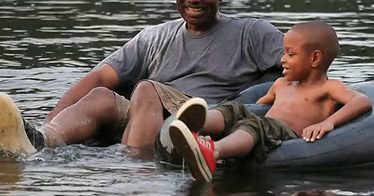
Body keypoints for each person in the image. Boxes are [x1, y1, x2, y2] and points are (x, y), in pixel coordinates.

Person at [0, 0, 283, 158]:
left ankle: (134, 165)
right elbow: (101, 75)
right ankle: (41, 139)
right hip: (147, 111)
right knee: (100, 96)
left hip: (201, 113)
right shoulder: (155, 36)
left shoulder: (252, 32)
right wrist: (55, 114)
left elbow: (302, 64)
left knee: (147, 88)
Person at [168, 21, 373, 182]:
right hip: (265, 128)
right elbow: (254, 107)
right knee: (235, 110)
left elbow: (361, 101)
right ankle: (195, 124)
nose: (282, 59)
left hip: (285, 136)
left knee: (257, 124)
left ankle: (214, 152)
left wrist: (328, 122)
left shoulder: (328, 88)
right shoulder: (281, 85)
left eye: (290, 54)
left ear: (315, 59)